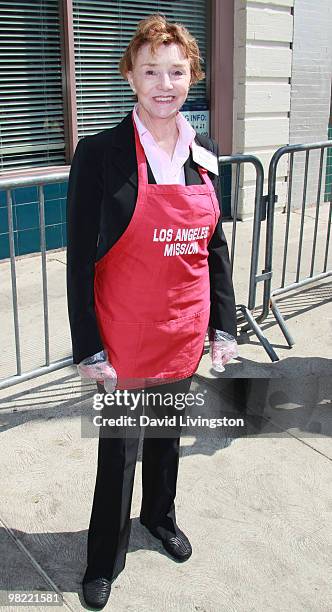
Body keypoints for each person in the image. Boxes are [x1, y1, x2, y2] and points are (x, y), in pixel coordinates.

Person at [66, 13, 238, 610]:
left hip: (184, 329)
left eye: (176, 70)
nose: (165, 83)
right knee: (119, 452)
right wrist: (87, 344)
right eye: (150, 72)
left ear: (193, 74)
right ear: (131, 78)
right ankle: (103, 558)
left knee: (167, 436)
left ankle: (159, 518)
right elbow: (79, 259)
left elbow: (213, 245)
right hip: (124, 334)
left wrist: (223, 323)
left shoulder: (206, 152)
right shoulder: (101, 153)